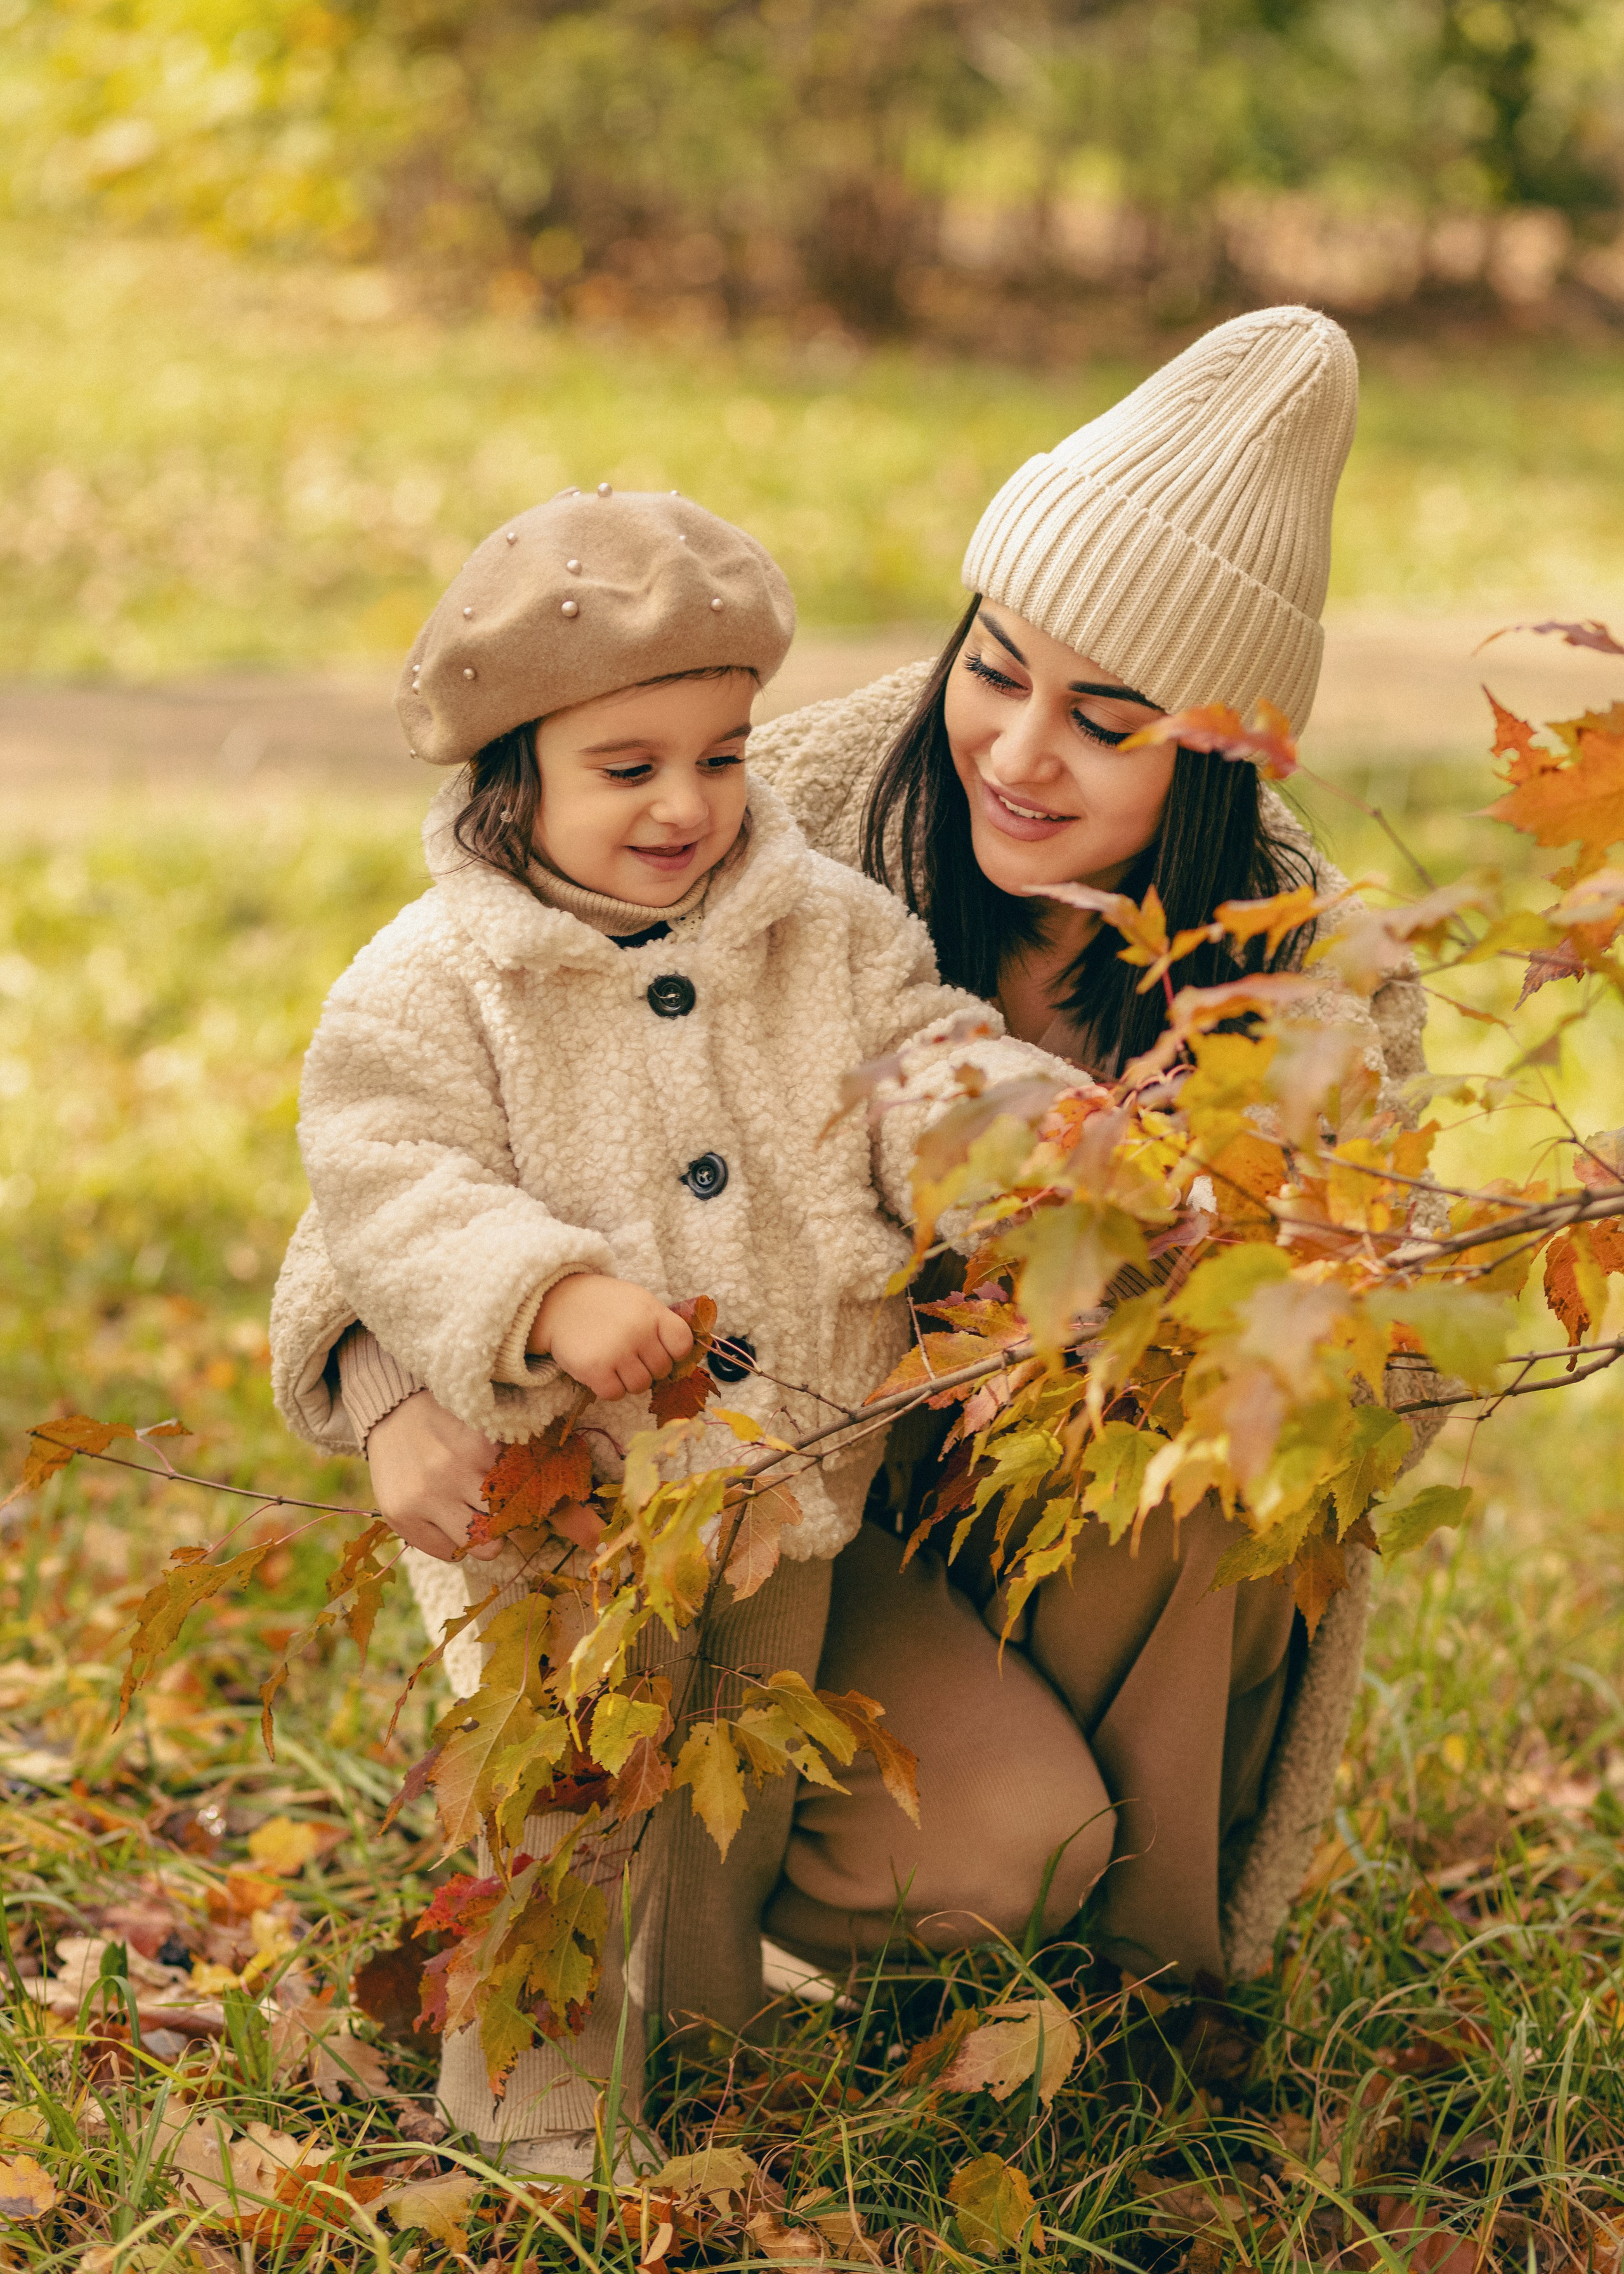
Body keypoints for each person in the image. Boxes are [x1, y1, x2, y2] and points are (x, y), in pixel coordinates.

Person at [271, 305, 1431, 2153]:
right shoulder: (771, 798)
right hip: (695, 1458)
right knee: (657, 1773)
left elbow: (1372, 1344)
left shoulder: (1298, 964)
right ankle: (581, 2094)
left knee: (1240, 1436)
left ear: (1222, 758)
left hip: (988, 1491)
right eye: (998, 668)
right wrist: (384, 1379)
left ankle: (1143, 1996)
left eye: (1107, 720)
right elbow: (399, 1138)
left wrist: (1146, 1209)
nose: (1021, 753)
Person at [272, 483, 1071, 2172]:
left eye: (722, 755)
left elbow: (921, 1060)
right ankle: (540, 2097)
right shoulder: (437, 981)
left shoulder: (827, 933)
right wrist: (541, 1291)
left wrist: (1015, 1126)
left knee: (734, 1771)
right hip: (562, 1507)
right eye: (627, 770)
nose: (688, 806)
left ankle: (703, 2036)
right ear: (514, 779)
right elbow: (385, 1173)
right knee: (576, 1782)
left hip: (785, 1473)